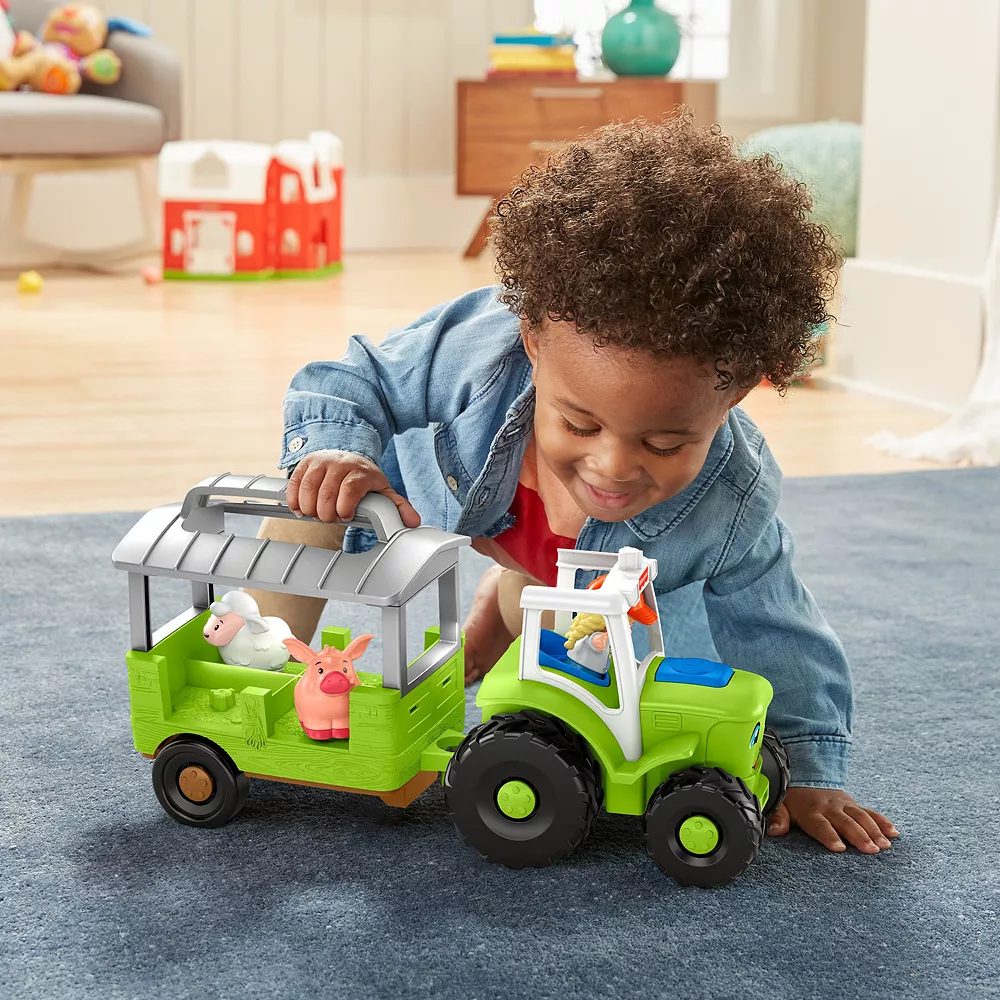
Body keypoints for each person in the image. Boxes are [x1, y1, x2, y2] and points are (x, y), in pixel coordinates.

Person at [248, 113, 898, 856]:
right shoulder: (479, 349)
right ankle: (254, 671)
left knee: (593, 660)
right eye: (579, 423)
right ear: (532, 341)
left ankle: (508, 603)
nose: (613, 467)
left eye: (664, 442)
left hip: (577, 582)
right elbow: (353, 376)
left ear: (739, 391)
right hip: (435, 505)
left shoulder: (732, 500)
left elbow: (780, 627)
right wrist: (336, 453)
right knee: (308, 503)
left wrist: (808, 766)